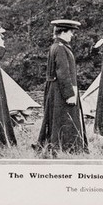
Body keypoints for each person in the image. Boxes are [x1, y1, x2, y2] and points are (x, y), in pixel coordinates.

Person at [35, 20, 88, 155]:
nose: (72, 35)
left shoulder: (58, 46)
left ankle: (60, 147)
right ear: (63, 32)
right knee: (65, 120)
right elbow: (63, 72)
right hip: (61, 91)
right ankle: (67, 148)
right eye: (70, 32)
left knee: (59, 120)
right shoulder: (60, 48)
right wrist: (69, 94)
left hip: (57, 90)